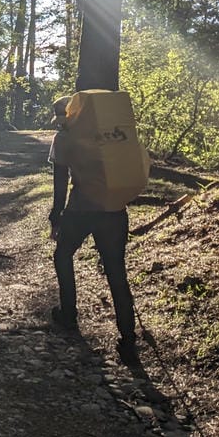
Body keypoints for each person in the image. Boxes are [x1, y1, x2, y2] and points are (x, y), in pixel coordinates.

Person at [47, 96, 138, 363]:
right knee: (116, 272)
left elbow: (60, 182)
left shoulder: (63, 138)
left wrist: (56, 215)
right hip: (115, 210)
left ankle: (68, 314)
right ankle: (128, 339)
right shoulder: (111, 135)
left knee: (62, 255)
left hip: (82, 209)